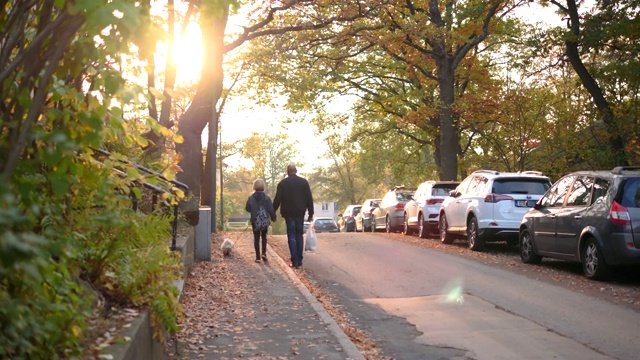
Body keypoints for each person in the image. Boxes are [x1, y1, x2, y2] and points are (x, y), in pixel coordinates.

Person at [273, 163, 314, 269]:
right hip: (300, 212)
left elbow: (277, 199)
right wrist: (311, 213)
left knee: (291, 235)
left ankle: (294, 260)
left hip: (288, 213)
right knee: (299, 235)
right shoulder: (304, 182)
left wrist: (272, 212)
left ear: (287, 172)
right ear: (296, 171)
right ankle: (299, 261)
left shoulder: (283, 184)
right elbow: (309, 198)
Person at [245, 179, 277, 263]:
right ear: (263, 187)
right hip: (264, 220)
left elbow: (247, 208)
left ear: (254, 187)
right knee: (264, 237)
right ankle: (264, 253)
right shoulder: (267, 198)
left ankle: (258, 257)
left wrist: (253, 211)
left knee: (256, 238)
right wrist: (273, 218)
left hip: (255, 220)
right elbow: (271, 209)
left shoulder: (251, 198)